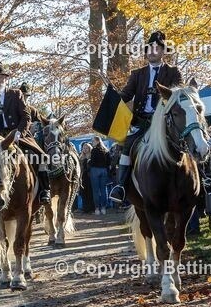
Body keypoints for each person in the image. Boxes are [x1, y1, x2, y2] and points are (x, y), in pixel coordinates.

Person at [110, 31, 183, 203]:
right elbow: (127, 94)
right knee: (127, 146)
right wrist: (113, 99)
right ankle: (120, 186)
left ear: (163, 51)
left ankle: (202, 179)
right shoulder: (137, 74)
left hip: (166, 120)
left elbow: (179, 93)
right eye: (149, 48)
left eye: (156, 48)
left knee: (185, 140)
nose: (152, 51)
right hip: (142, 121)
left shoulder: (173, 72)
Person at [0, 58, 51, 204]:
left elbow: (26, 116)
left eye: (0, 78)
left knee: (38, 156)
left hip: (16, 135)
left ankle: (44, 190)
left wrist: (18, 133)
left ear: (5, 79)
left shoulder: (16, 94)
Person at [89, 137, 110, 215]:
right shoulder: (106, 150)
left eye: (93, 141)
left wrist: (88, 162)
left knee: (96, 191)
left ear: (97, 141)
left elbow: (92, 162)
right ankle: (103, 208)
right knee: (104, 190)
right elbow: (109, 162)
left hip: (95, 170)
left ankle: (97, 209)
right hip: (104, 170)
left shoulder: (94, 150)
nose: (92, 142)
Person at [78, 142, 94, 213]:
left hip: (90, 176)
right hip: (82, 176)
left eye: (86, 148)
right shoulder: (80, 157)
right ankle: (85, 209)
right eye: (84, 148)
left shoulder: (92, 156)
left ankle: (91, 208)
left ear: (89, 148)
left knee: (90, 192)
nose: (85, 149)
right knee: (83, 193)